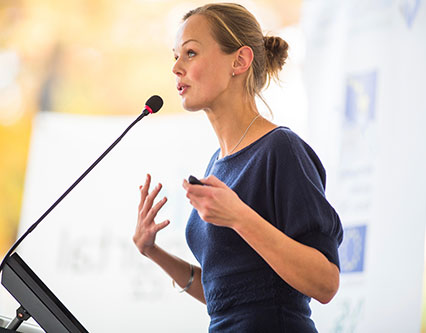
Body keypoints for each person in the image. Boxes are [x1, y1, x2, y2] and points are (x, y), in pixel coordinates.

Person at [133, 3, 343, 332]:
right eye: (175, 55)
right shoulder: (217, 163)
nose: (175, 67)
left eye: (190, 53)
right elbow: (230, 297)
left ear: (240, 61)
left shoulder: (280, 149)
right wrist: (153, 252)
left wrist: (239, 217)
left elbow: (326, 282)